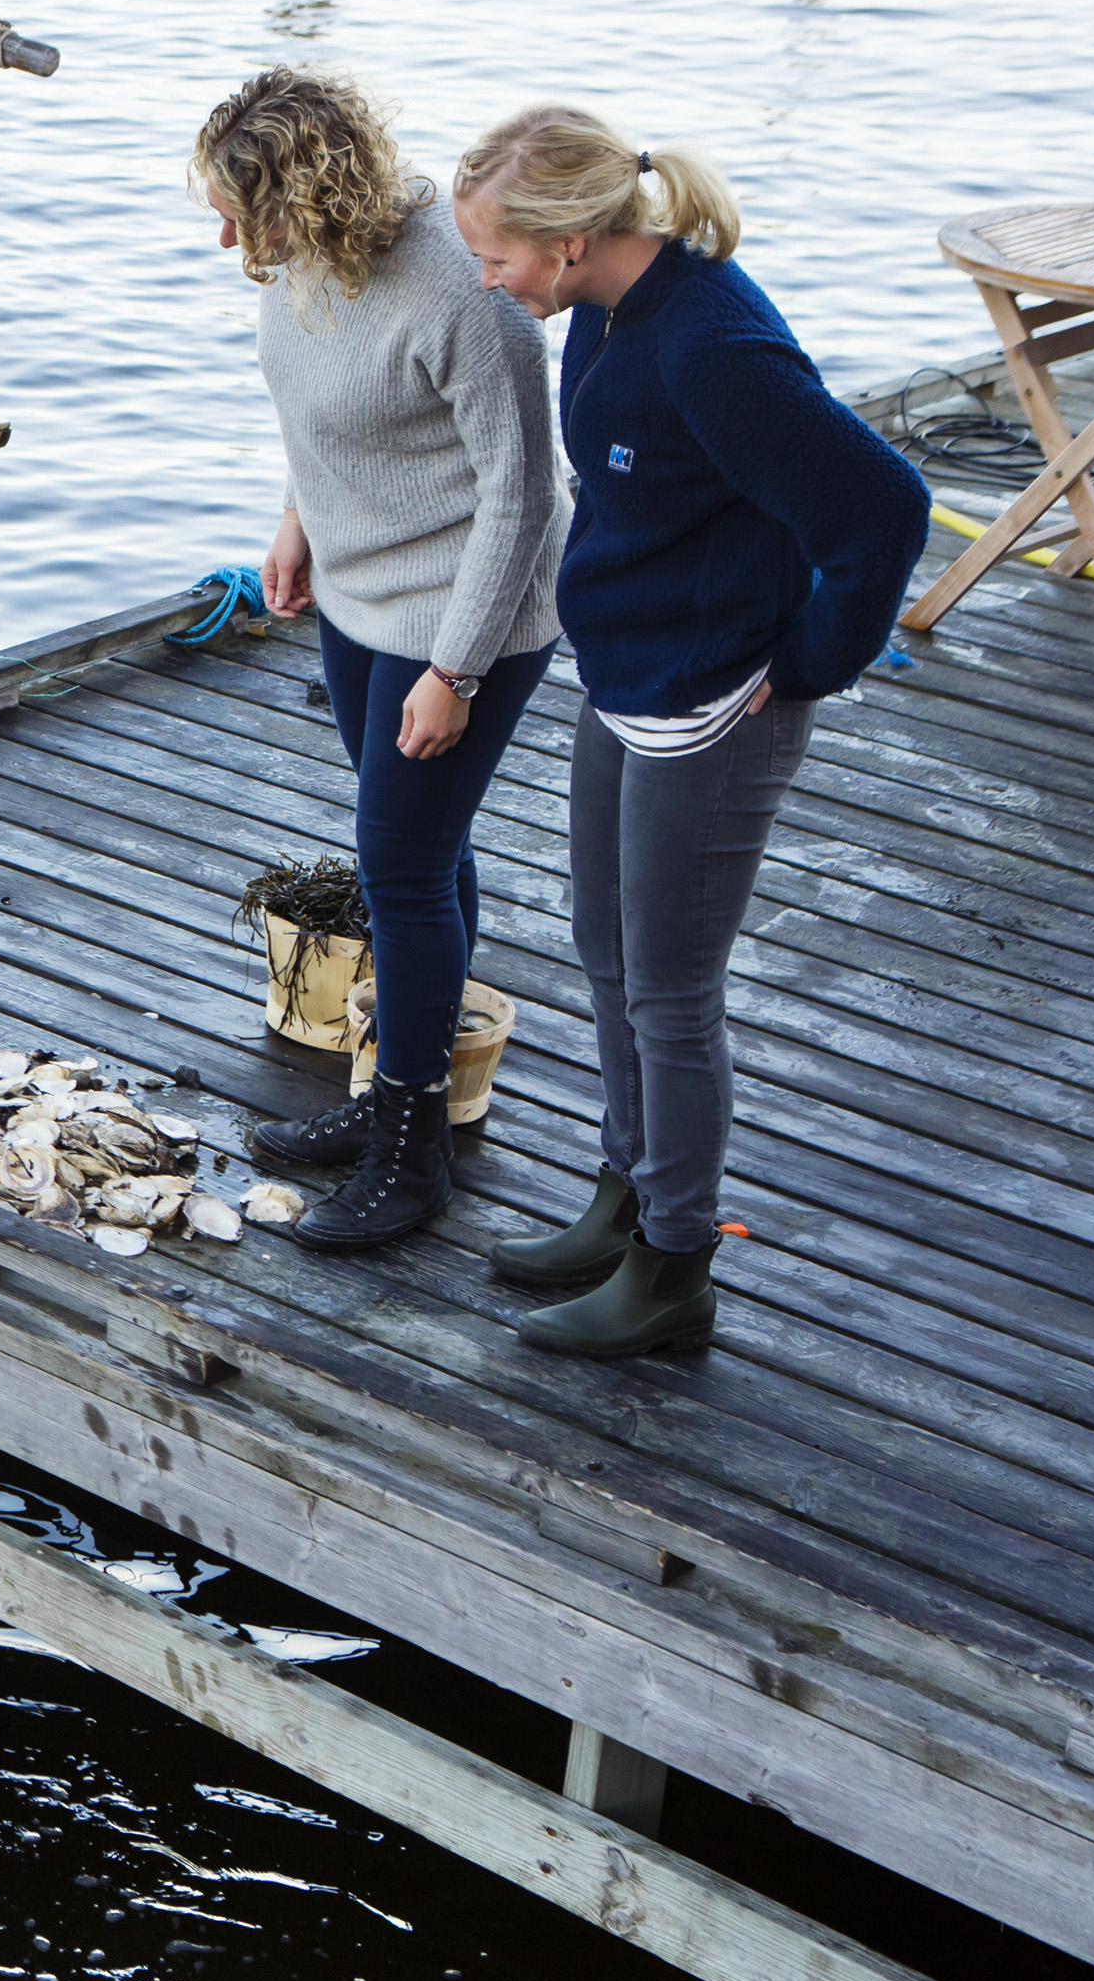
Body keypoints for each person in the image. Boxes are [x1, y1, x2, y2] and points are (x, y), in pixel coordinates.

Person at [450, 106, 928, 1358]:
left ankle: (674, 1265)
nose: (486, 281)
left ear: (565, 242)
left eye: (495, 258)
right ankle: (624, 1197)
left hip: (714, 707)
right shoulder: (602, 310)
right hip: (624, 675)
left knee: (670, 993)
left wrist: (813, 662)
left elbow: (883, 506)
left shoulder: (713, 347)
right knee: (604, 954)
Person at [196, 67, 566, 1252]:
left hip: (467, 617)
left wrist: (454, 673)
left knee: (400, 868)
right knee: (421, 846)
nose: (222, 235)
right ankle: (401, 1098)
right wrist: (294, 525)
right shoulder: (305, 265)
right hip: (359, 599)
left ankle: (412, 1154)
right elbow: (310, 417)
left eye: (236, 209)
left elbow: (520, 495)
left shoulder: (467, 295)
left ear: (302, 196)